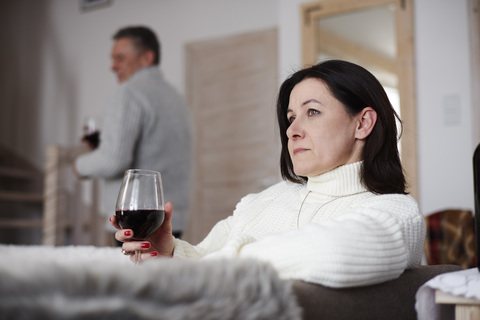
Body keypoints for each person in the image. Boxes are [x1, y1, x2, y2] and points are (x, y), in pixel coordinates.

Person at [111, 60, 426, 288]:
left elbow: (333, 254)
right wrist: (168, 256)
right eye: (290, 117)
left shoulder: (394, 212)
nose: (292, 130)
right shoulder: (259, 203)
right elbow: (204, 260)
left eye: (312, 112)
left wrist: (201, 270)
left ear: (363, 123)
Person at [74, 26, 192, 240]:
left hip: (135, 219)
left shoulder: (128, 93)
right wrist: (105, 143)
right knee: (162, 273)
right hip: (172, 217)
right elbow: (154, 148)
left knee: (133, 273)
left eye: (120, 58)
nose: (113, 66)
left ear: (147, 57)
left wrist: (79, 166)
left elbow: (113, 160)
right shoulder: (175, 97)